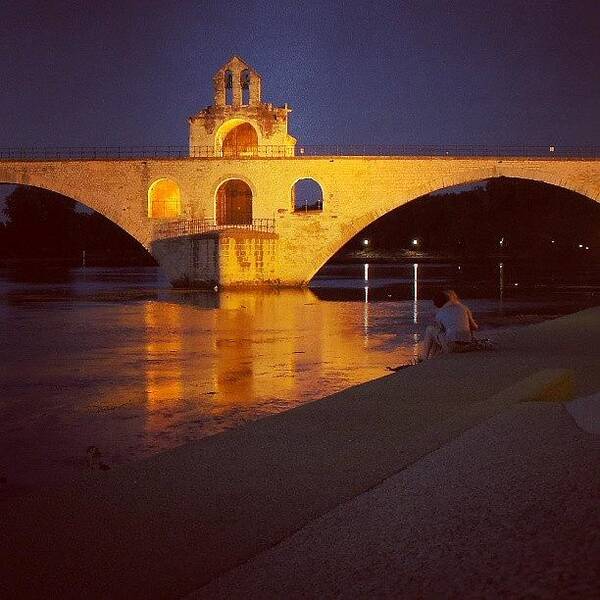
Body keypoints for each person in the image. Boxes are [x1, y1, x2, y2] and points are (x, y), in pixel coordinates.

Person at [419, 290, 478, 360]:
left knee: (429, 329)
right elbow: (475, 327)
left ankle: (424, 358)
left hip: (452, 347)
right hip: (467, 345)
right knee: (437, 334)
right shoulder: (464, 308)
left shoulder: (439, 313)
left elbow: (442, 332)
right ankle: (433, 358)